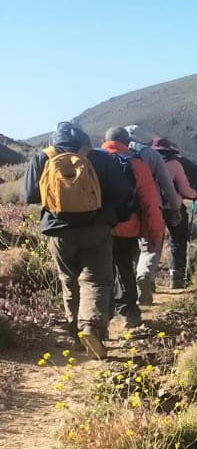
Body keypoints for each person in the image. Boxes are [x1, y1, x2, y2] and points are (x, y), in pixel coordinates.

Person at [19, 121, 135, 359]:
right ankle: (91, 328)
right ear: (84, 140)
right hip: (96, 227)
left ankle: (75, 334)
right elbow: (124, 193)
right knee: (96, 281)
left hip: (58, 230)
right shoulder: (100, 158)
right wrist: (113, 215)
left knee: (69, 280)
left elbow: (28, 195)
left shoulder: (43, 158)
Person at [99, 128, 165, 329]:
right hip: (128, 227)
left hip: (98, 227)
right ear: (127, 143)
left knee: (100, 272)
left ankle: (101, 315)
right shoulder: (137, 164)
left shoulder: (93, 160)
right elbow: (150, 203)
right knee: (124, 268)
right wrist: (155, 233)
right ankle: (129, 313)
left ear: (105, 141)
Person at [123, 125, 182, 305]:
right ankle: (145, 275)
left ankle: (130, 286)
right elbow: (166, 184)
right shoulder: (151, 155)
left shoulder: (110, 154)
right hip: (150, 205)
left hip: (123, 208)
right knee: (151, 246)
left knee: (129, 246)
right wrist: (175, 207)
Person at [149, 137, 197, 289]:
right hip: (173, 208)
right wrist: (194, 194)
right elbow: (184, 189)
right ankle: (176, 278)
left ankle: (148, 277)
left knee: (152, 244)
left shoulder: (147, 164)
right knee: (178, 241)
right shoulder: (175, 164)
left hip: (152, 208)